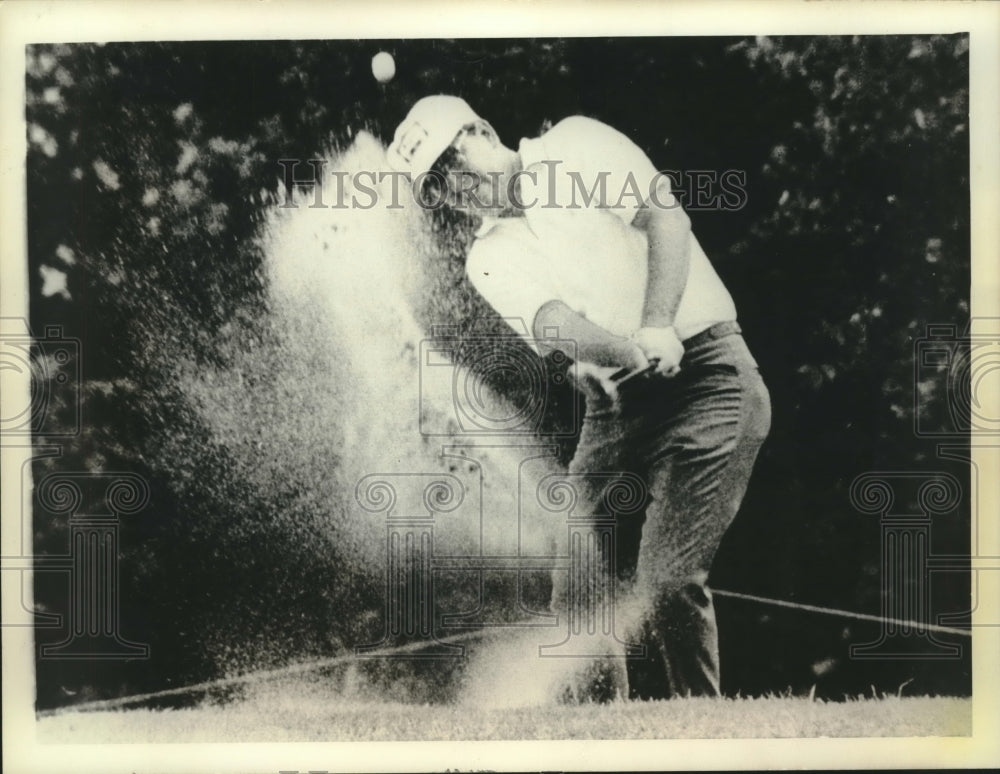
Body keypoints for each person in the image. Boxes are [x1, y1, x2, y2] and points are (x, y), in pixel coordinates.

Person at [388, 95, 771, 701]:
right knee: (577, 597)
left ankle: (703, 732)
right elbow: (554, 325)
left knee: (667, 584)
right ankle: (594, 745)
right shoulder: (487, 256)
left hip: (711, 376)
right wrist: (627, 351)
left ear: (484, 130)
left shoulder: (575, 145)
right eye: (434, 188)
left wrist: (658, 325)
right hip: (619, 409)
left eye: (452, 165)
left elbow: (664, 217)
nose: (452, 189)